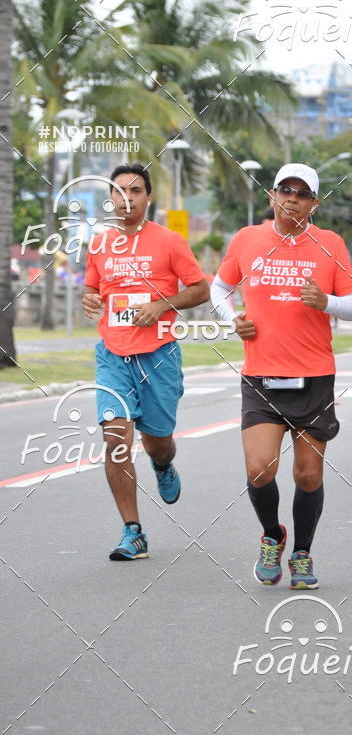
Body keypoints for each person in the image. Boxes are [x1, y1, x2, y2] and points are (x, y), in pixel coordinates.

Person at [211, 163, 352, 590]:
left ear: (314, 204)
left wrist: (327, 302)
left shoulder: (330, 244)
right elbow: (219, 288)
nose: (292, 200)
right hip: (261, 375)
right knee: (259, 469)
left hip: (314, 376)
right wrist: (232, 319)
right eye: (285, 191)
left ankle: (302, 553)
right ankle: (272, 535)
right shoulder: (247, 239)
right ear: (272, 196)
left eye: (301, 194)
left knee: (307, 475)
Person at [82, 163, 209, 560]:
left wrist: (162, 305)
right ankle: (133, 531)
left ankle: (163, 464)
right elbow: (91, 290)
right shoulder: (99, 244)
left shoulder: (169, 241)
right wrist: (89, 300)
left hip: (158, 356)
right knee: (115, 440)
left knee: (158, 443)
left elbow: (201, 289)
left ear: (148, 198)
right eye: (119, 191)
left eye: (135, 191)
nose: (127, 198)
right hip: (113, 356)